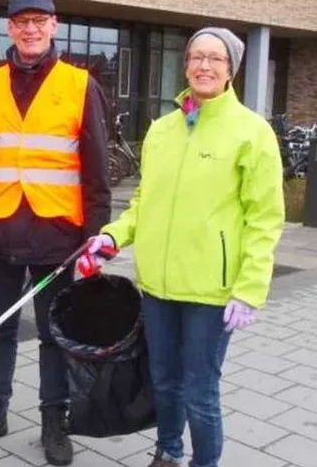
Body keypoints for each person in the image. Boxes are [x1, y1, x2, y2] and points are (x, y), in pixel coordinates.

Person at [79, 27, 285, 467]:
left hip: (211, 292)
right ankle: (168, 452)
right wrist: (113, 236)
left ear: (231, 70)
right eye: (196, 56)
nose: (204, 66)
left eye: (215, 58)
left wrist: (250, 288)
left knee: (199, 391)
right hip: (158, 285)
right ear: (186, 64)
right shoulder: (162, 130)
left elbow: (265, 219)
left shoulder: (252, 133)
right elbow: (144, 202)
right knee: (163, 380)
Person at [0, 0, 111, 466]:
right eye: (22, 21)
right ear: (10, 28)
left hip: (58, 235)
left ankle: (53, 421)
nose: (30, 29)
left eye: (39, 21)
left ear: (54, 26)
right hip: (0, 231)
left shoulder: (80, 85)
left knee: (54, 334)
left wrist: (97, 235)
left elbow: (97, 169)